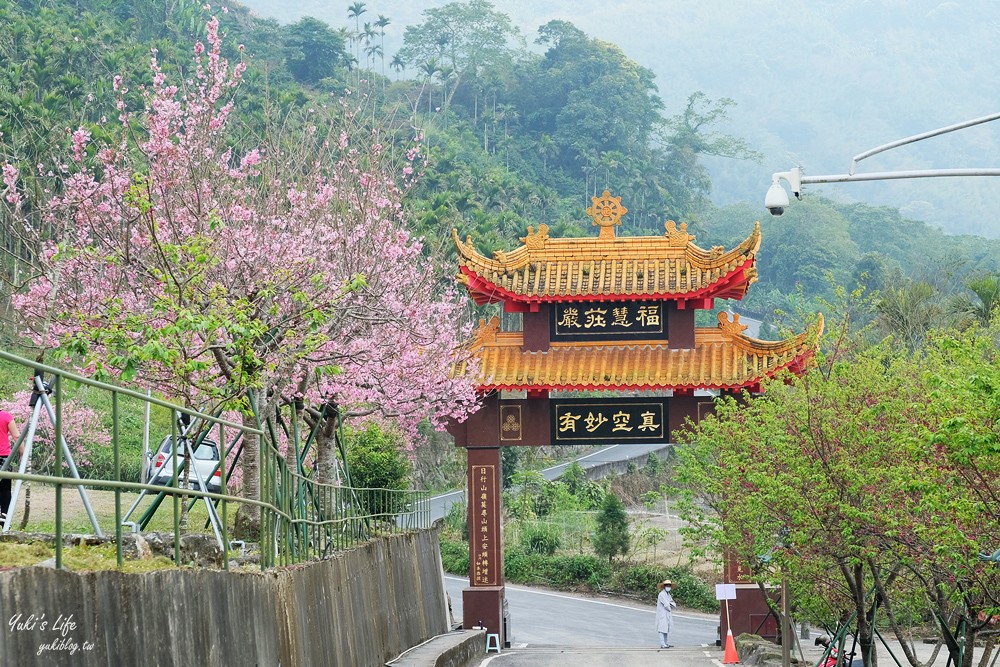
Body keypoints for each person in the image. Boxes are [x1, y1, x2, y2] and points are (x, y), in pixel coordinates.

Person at [0, 409, 22, 522]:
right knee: (5, 489)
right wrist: (23, 454)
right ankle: (4, 516)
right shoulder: (6, 416)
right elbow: (17, 437)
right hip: (4, 458)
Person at [656, 578, 677, 649]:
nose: (668, 587)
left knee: (666, 628)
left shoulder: (668, 595)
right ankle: (662, 643)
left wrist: (670, 604)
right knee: (661, 628)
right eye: (667, 585)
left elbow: (673, 603)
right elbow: (667, 605)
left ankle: (665, 643)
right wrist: (670, 605)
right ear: (664, 586)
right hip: (662, 613)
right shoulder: (661, 594)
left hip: (667, 613)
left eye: (669, 585)